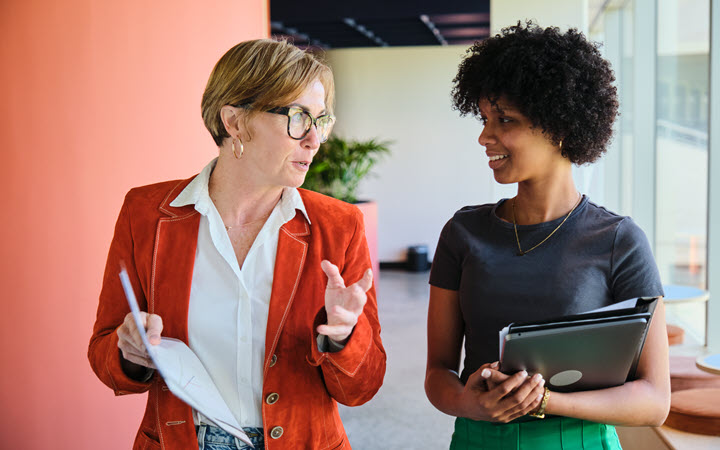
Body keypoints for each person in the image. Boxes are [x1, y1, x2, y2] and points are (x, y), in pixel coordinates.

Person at [88, 39, 386, 450]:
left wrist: (343, 336)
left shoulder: (339, 226)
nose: (314, 139)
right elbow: (105, 353)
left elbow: (363, 387)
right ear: (235, 121)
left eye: (321, 120)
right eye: (299, 117)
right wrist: (130, 352)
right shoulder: (147, 213)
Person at [425, 22, 670, 450]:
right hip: (479, 439)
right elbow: (437, 373)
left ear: (559, 125)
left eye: (504, 120)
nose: (484, 136)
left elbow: (653, 400)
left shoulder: (619, 240)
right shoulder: (463, 233)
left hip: (578, 441)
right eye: (484, 119)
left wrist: (545, 400)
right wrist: (470, 403)